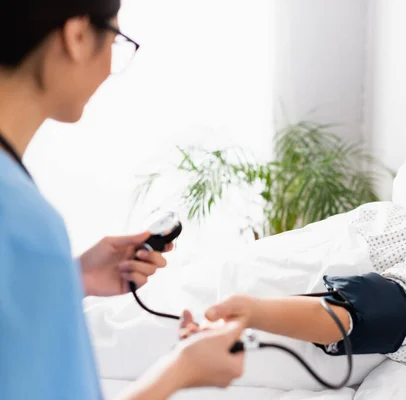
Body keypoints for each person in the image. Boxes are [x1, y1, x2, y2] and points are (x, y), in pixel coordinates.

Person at [0, 1, 244, 399]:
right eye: (116, 40)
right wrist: (183, 368)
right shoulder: (25, 224)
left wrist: (69, 279)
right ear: (77, 36)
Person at [182, 124, 406, 378]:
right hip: (209, 280)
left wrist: (251, 311)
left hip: (229, 320)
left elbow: (368, 316)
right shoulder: (386, 213)